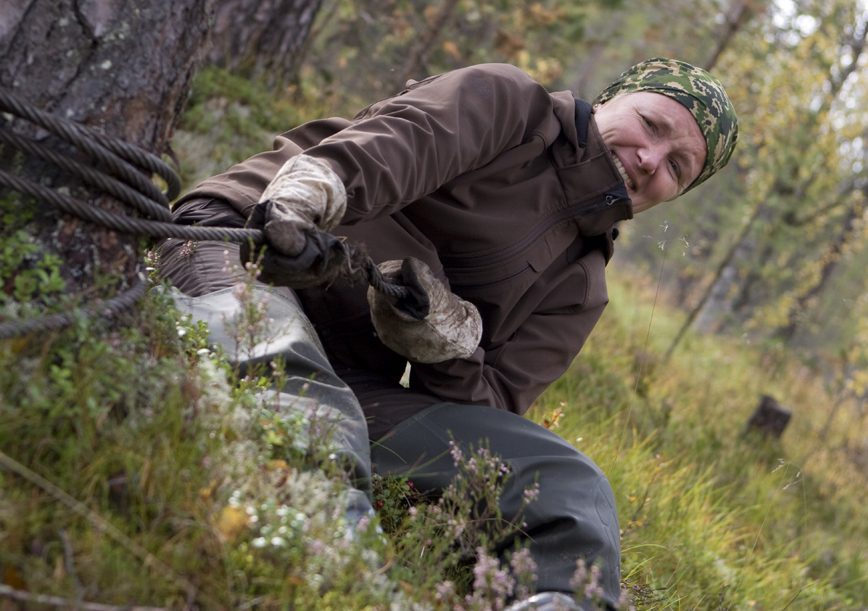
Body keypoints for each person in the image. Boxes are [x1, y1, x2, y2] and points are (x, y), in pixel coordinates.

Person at [158, 58, 739, 610]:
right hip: (237, 245)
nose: (648, 158)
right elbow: (398, 147)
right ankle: (341, 571)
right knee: (300, 387)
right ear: (612, 98)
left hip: (351, 377)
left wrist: (448, 347)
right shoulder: (511, 105)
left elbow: (491, 411)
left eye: (675, 167)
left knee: (566, 482)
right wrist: (306, 198)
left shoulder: (581, 287)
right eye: (650, 125)